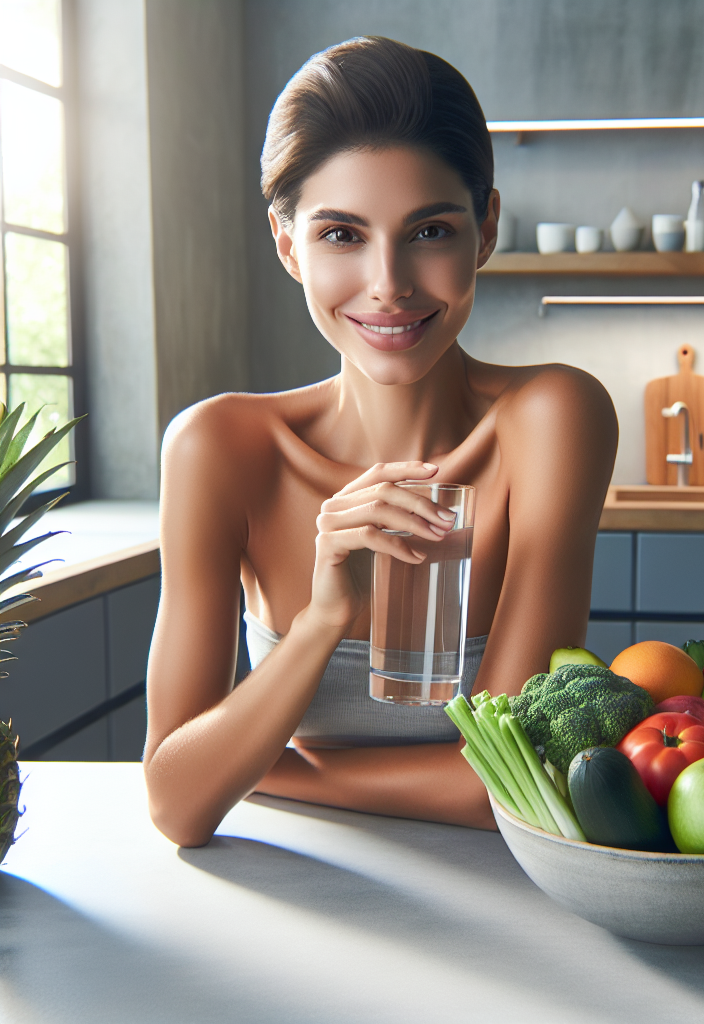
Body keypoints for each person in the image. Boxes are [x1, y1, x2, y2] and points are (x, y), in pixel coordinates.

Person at [143, 36, 617, 848]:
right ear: (288, 244)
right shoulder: (218, 448)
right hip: (292, 896)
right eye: (341, 234)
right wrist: (326, 617)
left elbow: (500, 787)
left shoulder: (554, 416)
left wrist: (262, 769)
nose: (388, 282)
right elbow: (177, 805)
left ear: (486, 228)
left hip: (515, 903)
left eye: (429, 231)